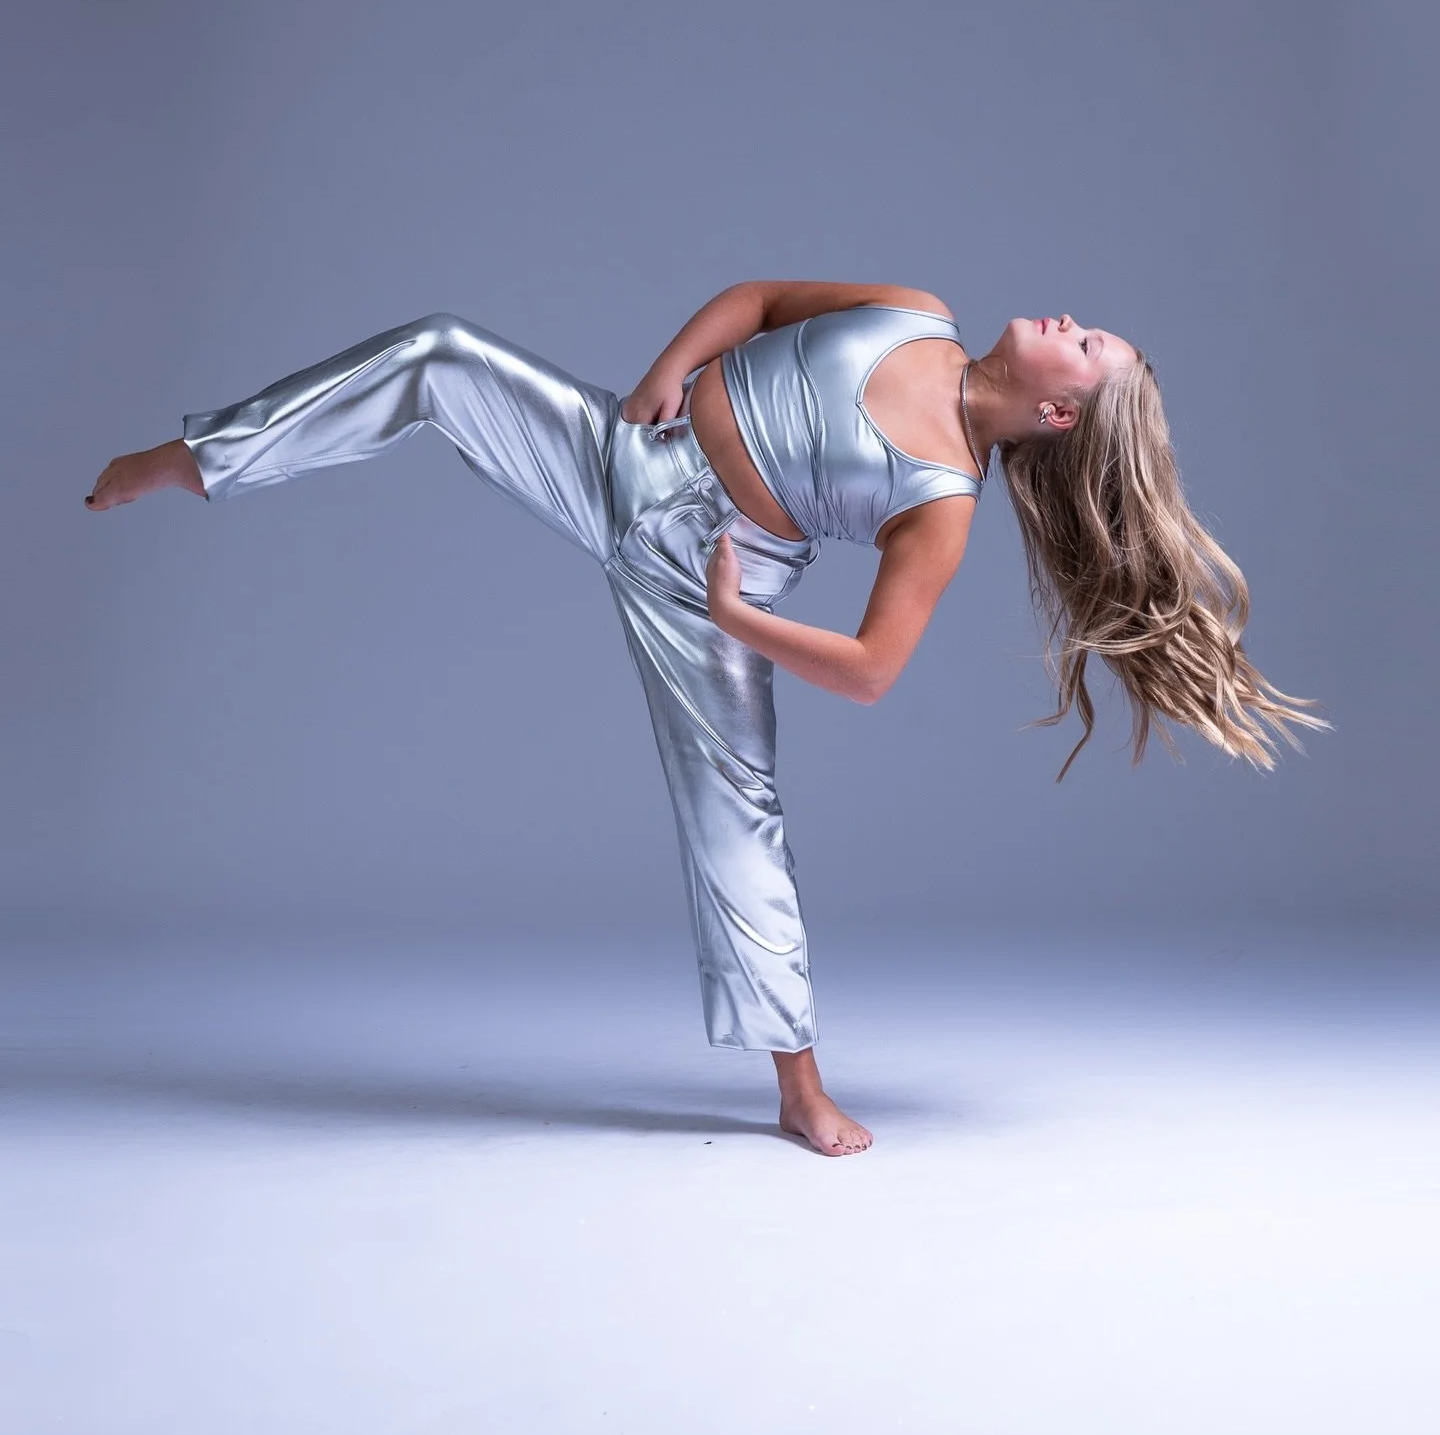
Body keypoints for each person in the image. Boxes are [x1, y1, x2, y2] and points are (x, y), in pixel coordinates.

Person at [84, 281, 1324, 1156]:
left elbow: (871, 669)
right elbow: (760, 299)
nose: (1069, 320)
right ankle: (202, 457)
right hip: (618, 457)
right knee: (438, 353)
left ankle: (799, 1088)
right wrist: (665, 373)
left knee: (738, 817)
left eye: (1087, 345)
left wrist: (736, 616)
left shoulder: (942, 499)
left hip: (706, 585)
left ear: (1060, 414)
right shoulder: (915, 312)